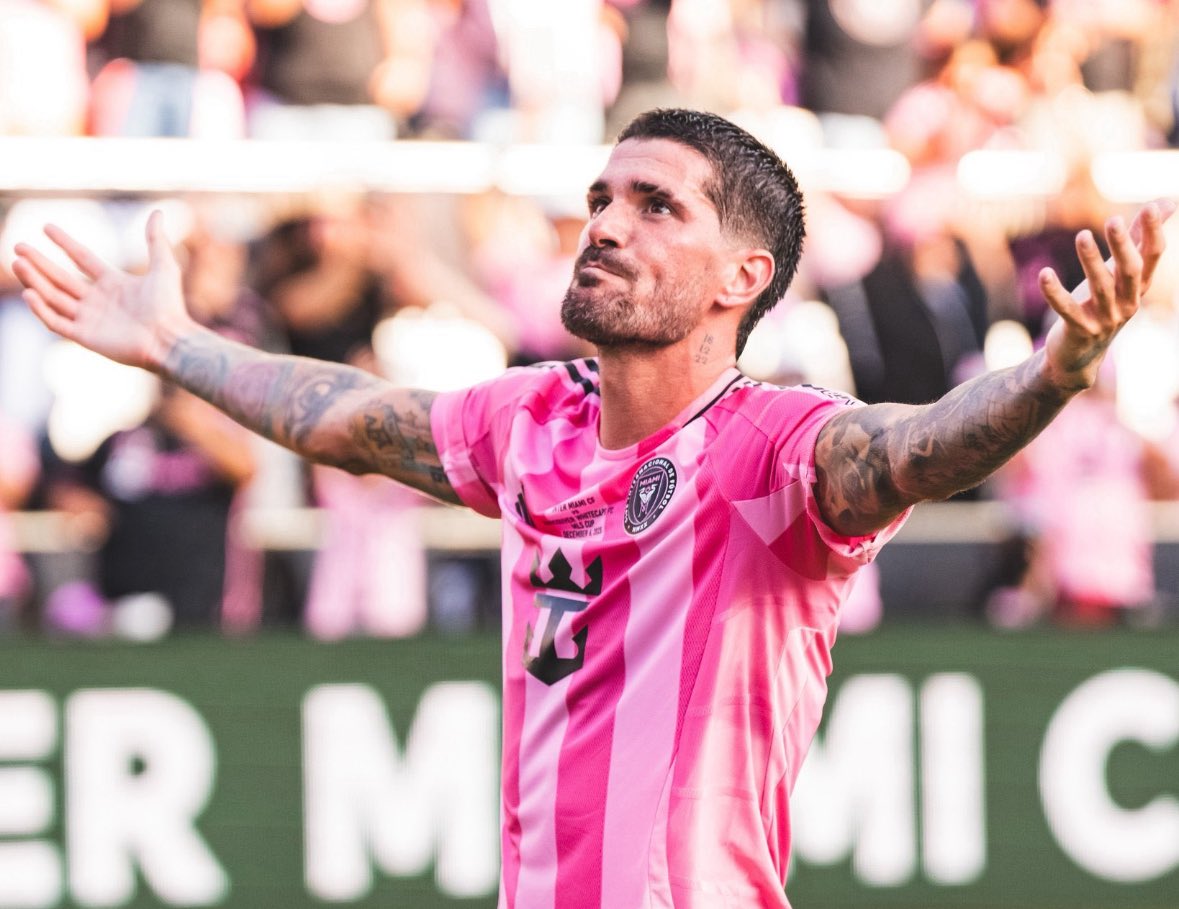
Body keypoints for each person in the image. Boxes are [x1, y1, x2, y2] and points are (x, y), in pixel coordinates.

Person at [10, 108, 1170, 907]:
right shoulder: (530, 419)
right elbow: (344, 419)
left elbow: (922, 448)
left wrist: (1053, 373)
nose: (606, 224)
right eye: (601, 198)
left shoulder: (774, 447)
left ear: (743, 277)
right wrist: (171, 343)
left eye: (657, 206)